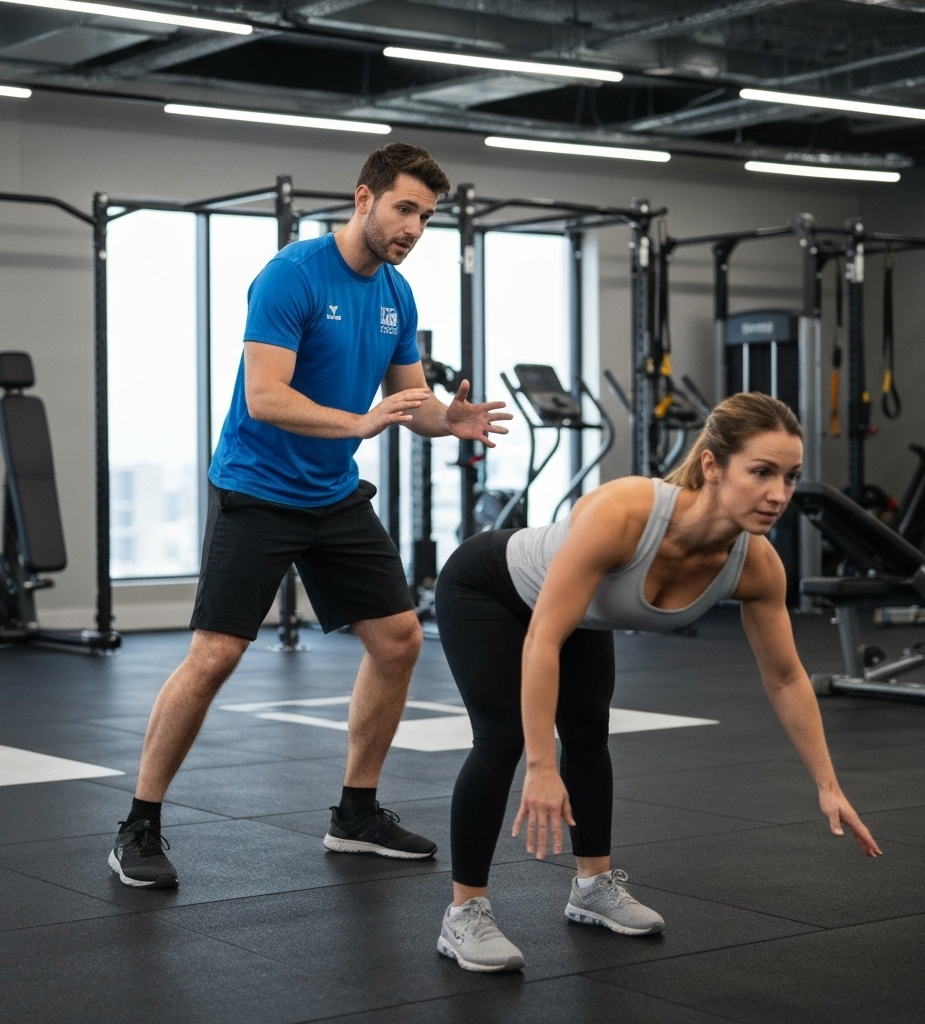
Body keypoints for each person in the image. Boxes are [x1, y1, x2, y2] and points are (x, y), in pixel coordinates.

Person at [108, 142, 512, 889]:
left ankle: (356, 813)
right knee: (216, 655)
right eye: (404, 209)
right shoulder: (291, 275)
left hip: (331, 494)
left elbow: (409, 398)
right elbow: (266, 396)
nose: (415, 228)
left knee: (397, 642)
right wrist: (357, 423)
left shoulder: (396, 294)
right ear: (363, 199)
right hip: (258, 489)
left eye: (426, 216)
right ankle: (139, 823)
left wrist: (445, 421)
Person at [432, 392, 882, 972]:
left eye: (791, 477)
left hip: (581, 611)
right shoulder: (626, 512)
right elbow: (543, 636)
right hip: (489, 588)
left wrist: (827, 783)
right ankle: (464, 913)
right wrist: (542, 769)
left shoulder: (756, 564)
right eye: (762, 472)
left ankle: (592, 887)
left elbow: (787, 676)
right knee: (503, 738)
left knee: (590, 733)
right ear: (714, 466)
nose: (779, 494)